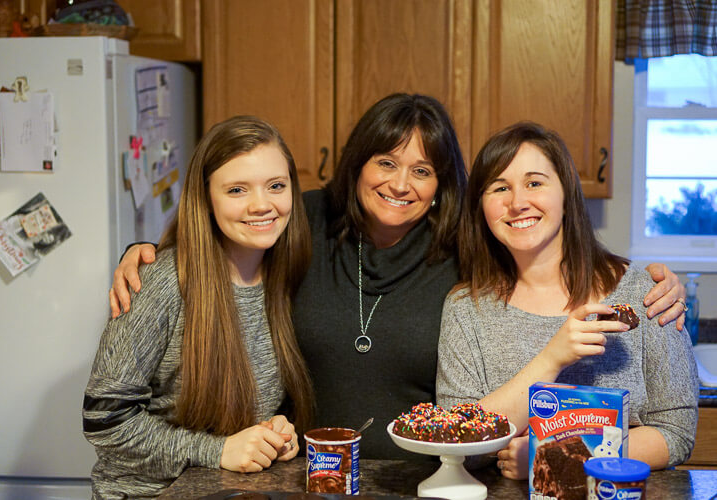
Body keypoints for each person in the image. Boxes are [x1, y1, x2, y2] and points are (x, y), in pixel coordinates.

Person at [108, 94, 688, 460]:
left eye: (422, 169)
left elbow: (541, 233)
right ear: (357, 163)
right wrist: (151, 250)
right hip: (317, 470)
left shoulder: (467, 247)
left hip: (429, 476)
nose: (400, 183)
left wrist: (648, 279)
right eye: (385, 161)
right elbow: (236, 216)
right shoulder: (307, 220)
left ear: (442, 187)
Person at [436, 122, 698, 479]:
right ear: (482, 206)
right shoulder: (466, 308)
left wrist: (553, 455)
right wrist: (550, 360)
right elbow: (455, 441)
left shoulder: (646, 293)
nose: (517, 203)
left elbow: (676, 432)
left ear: (566, 193)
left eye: (534, 183)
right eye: (499, 187)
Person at [83, 116, 314, 498]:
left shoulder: (282, 277)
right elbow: (104, 421)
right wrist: (218, 451)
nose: (262, 205)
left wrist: (273, 433)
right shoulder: (162, 283)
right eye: (237, 190)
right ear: (205, 198)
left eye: (276, 186)